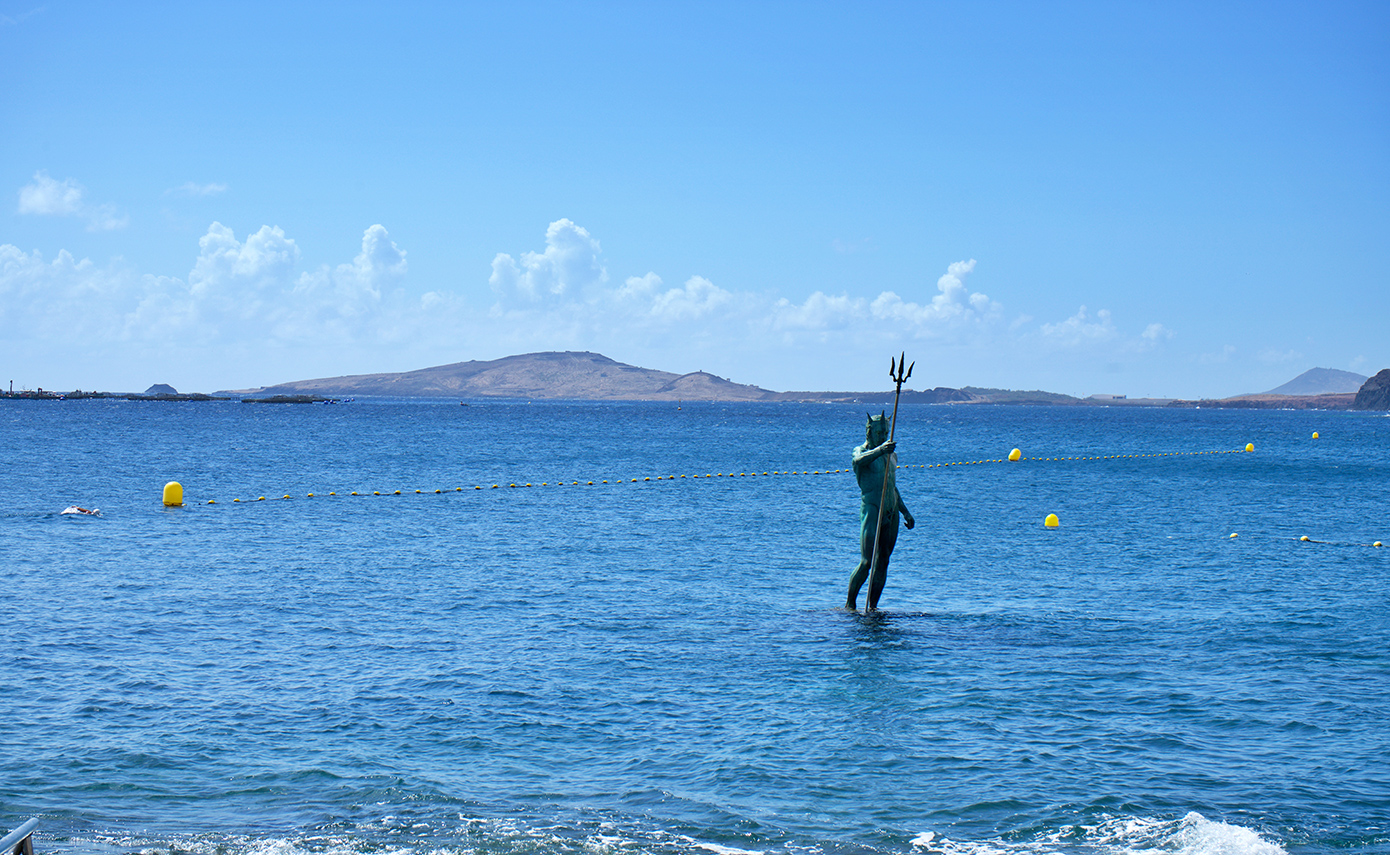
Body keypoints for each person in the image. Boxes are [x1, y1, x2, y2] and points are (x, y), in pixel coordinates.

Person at [846, 412, 914, 611]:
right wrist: (880, 451)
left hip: (891, 511)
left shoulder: (891, 454)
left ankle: (873, 607)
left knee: (883, 560)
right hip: (872, 509)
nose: (882, 436)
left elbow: (891, 485)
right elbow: (858, 462)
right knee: (867, 562)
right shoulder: (861, 451)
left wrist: (905, 512)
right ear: (869, 433)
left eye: (885, 432)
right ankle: (850, 605)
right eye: (878, 433)